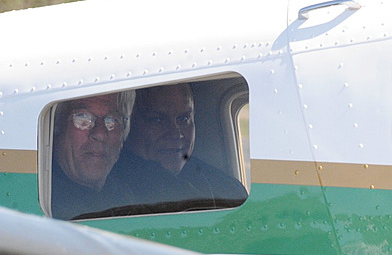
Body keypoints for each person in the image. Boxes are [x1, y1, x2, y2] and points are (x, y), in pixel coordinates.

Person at [112, 83, 247, 213]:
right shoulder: (113, 192)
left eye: (183, 118)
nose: (176, 134)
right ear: (127, 126)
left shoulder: (227, 189)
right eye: (157, 120)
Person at [51, 91, 136, 220]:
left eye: (111, 121)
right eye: (83, 118)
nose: (100, 134)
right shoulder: (49, 200)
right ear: (58, 126)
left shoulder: (122, 196)